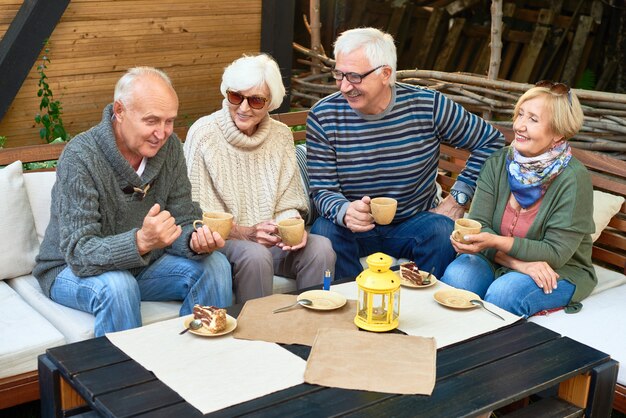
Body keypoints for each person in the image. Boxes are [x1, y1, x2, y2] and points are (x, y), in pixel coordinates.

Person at [33, 67, 232, 337]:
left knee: (215, 265)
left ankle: (200, 366)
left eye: (169, 121)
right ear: (120, 110)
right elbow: (79, 253)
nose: (161, 133)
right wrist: (141, 241)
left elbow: (183, 217)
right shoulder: (81, 156)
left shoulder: (170, 147)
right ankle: (127, 377)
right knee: (117, 285)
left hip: (144, 265)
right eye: (151, 121)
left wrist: (192, 240)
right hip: (67, 268)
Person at [306, 27, 504, 280]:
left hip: (414, 222)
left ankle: (421, 307)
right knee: (325, 229)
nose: (344, 87)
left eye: (354, 77)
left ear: (385, 74)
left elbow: (491, 141)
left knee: (442, 230)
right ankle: (353, 303)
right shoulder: (324, 115)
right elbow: (323, 190)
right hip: (354, 228)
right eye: (339, 74)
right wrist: (345, 211)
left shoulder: (428, 106)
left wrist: (457, 200)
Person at [184, 54, 336, 303]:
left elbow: (289, 201)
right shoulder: (203, 134)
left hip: (270, 241)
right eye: (236, 97)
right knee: (255, 255)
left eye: (255, 100)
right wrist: (246, 233)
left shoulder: (281, 135)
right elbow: (195, 214)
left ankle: (310, 331)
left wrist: (291, 230)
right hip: (226, 242)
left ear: (270, 103)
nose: (243, 108)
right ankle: (259, 337)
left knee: (320, 248)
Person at [440, 81, 596, 317]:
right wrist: (517, 263)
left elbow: (555, 253)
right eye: (520, 114)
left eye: (533, 119)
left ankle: (489, 352)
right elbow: (481, 227)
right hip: (497, 259)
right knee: (458, 278)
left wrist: (495, 242)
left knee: (505, 294)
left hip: (558, 269)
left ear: (558, 133)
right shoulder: (498, 162)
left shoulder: (573, 178)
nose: (520, 126)